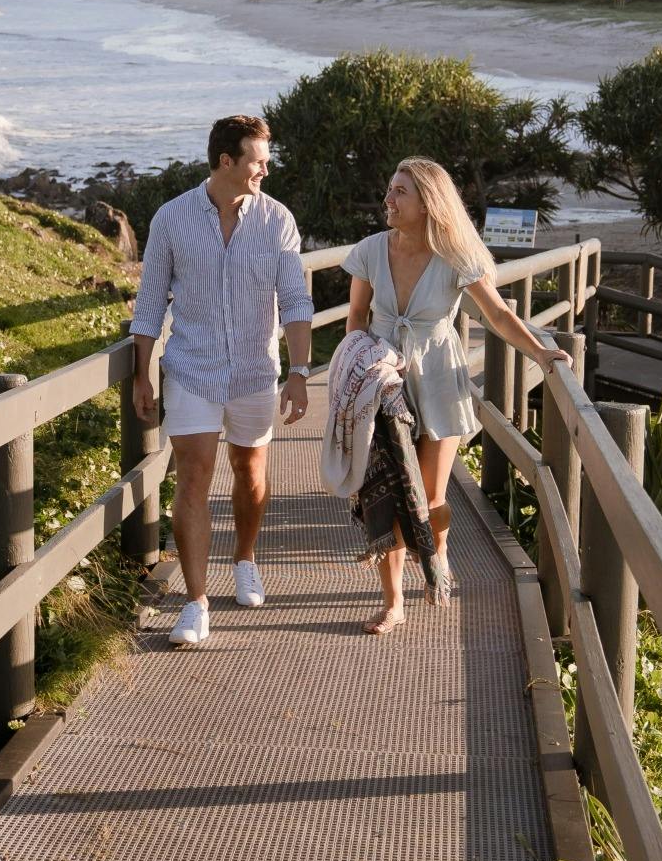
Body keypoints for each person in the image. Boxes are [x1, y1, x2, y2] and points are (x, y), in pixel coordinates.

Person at [343, 156, 567, 635]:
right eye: (390, 188)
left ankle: (438, 547)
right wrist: (359, 369)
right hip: (383, 381)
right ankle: (393, 600)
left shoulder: (454, 259)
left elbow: (499, 316)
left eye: (400, 192)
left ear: (428, 203)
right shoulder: (367, 251)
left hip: (439, 379)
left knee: (428, 495)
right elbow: (356, 316)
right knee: (388, 492)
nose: (389, 199)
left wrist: (542, 354)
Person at [129, 114, 314, 647]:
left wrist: (300, 372)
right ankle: (195, 601)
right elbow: (149, 302)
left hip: (256, 368)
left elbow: (296, 300)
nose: (265, 169)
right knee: (193, 476)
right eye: (257, 161)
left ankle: (246, 558)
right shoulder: (170, 219)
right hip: (190, 366)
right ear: (226, 161)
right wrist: (142, 372)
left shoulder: (278, 220)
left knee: (250, 471)